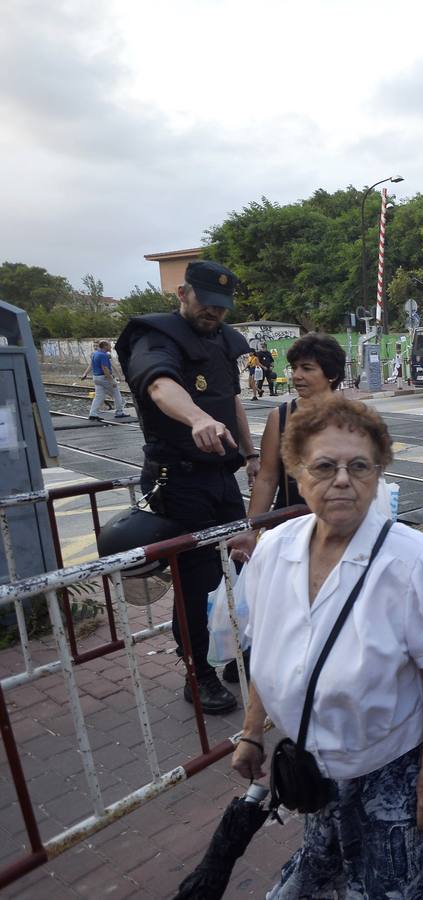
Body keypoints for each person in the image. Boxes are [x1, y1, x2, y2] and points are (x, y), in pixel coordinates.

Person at [230, 397, 423, 898]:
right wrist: (250, 732)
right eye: (325, 466)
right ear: (297, 470)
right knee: (322, 860)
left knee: (397, 885)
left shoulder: (414, 564)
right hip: (313, 762)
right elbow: (262, 645)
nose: (342, 479)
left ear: (378, 475)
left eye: (359, 466)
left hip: (390, 768)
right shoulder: (274, 550)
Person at [114, 261, 259, 715]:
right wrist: (197, 417)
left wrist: (251, 455)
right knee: (195, 580)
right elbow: (160, 387)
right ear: (182, 293)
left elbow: (231, 399)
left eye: (222, 308)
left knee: (241, 565)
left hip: (221, 477)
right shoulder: (154, 337)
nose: (214, 314)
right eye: (206, 303)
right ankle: (198, 674)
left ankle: (235, 650)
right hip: (177, 481)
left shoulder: (223, 342)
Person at [226, 333, 347, 559]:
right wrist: (250, 531)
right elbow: (267, 478)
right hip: (290, 528)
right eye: (295, 368)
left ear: (332, 374)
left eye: (307, 368)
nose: (297, 376)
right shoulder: (280, 417)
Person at [79, 339, 129, 420]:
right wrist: (111, 381)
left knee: (99, 396)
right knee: (116, 394)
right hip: (104, 378)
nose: (111, 347)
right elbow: (105, 369)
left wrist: (85, 374)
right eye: (109, 345)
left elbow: (91, 365)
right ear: (105, 346)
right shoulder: (103, 355)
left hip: (96, 378)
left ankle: (93, 413)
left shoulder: (95, 354)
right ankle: (119, 412)